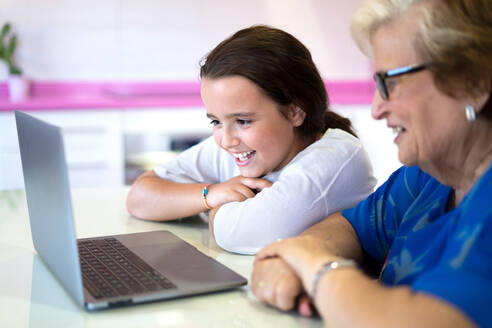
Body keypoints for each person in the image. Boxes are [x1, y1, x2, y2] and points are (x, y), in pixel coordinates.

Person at [251, 0, 492, 326]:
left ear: (474, 84)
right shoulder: (426, 178)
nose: (377, 109)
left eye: (389, 83)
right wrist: (295, 256)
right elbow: (349, 227)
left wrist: (315, 268)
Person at [126, 25, 376, 255]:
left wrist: (214, 213)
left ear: (295, 111)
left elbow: (239, 233)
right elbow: (139, 197)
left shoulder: (337, 158)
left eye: (243, 121)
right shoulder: (241, 149)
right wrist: (211, 194)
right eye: (216, 121)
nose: (226, 140)